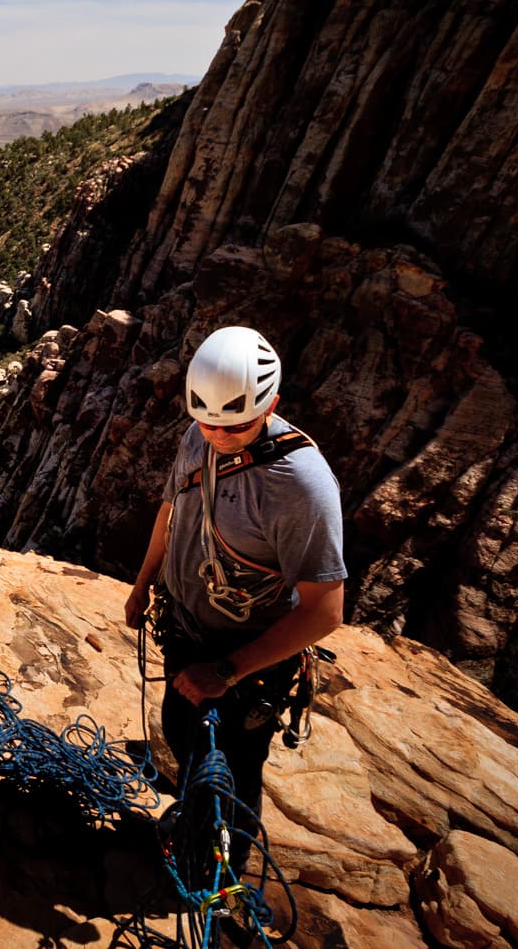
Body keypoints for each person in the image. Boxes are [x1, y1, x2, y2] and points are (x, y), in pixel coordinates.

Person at [123, 325, 346, 875]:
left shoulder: (302, 486)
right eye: (207, 422)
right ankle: (192, 827)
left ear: (271, 403)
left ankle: (218, 878)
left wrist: (227, 671)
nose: (218, 437)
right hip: (186, 625)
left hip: (245, 655)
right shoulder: (201, 434)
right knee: (183, 732)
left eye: (236, 425)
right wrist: (144, 581)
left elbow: (325, 610)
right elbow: (172, 510)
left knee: (235, 771)